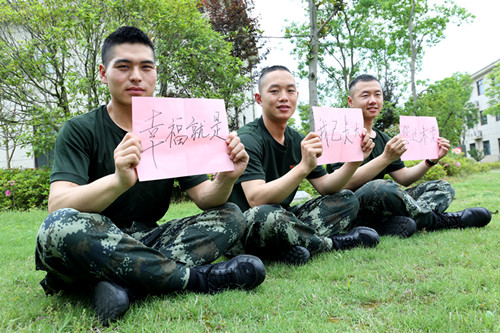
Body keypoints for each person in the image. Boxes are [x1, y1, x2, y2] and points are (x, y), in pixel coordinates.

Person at [35, 26, 265, 326]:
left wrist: (227, 177)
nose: (136, 76)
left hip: (148, 238)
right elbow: (59, 203)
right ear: (103, 74)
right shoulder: (79, 129)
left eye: (146, 67)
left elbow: (206, 199)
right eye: (123, 67)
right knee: (58, 228)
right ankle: (198, 279)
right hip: (93, 238)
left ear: (155, 74)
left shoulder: (174, 127)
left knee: (232, 215)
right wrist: (118, 181)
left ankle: (122, 285)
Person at [227, 65, 380, 266]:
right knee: (266, 214)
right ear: (259, 98)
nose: (284, 97)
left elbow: (326, 186)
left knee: (347, 200)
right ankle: (331, 244)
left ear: (297, 96)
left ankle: (286, 248)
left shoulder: (297, 139)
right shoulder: (248, 138)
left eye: (290, 91)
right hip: (247, 226)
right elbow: (256, 199)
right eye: (274, 91)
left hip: (282, 217)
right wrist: (303, 167)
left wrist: (355, 160)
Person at [326, 74, 492, 238]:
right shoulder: (340, 135)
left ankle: (387, 224)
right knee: (381, 187)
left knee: (442, 188)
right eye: (365, 95)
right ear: (350, 102)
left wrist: (431, 160)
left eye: (377, 94)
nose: (373, 100)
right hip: (352, 207)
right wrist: (385, 158)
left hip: (384, 203)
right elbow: (343, 185)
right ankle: (441, 220)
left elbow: (404, 178)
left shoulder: (384, 139)